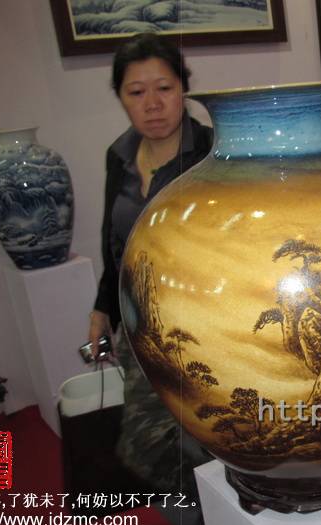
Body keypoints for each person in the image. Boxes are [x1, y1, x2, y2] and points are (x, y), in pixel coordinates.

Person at [87, 33, 214, 496]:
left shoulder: (212, 153)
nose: (153, 104)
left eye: (164, 88)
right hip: (138, 321)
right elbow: (114, 240)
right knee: (151, 446)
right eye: (136, 92)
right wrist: (102, 307)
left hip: (199, 325)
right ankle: (213, 513)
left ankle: (224, 515)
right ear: (121, 97)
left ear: (184, 88)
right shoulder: (119, 156)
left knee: (199, 434)